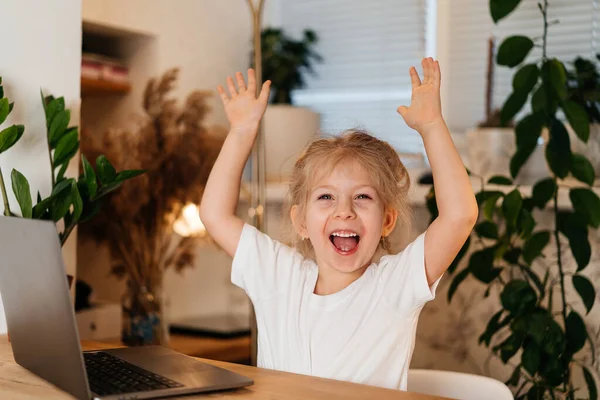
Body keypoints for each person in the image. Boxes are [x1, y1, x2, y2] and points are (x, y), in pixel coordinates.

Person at [199, 58, 478, 390]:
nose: (344, 211)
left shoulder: (395, 285)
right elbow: (214, 215)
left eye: (362, 197)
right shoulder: (276, 276)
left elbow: (459, 216)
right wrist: (242, 132)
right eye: (326, 198)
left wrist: (431, 126)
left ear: (387, 221)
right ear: (300, 221)